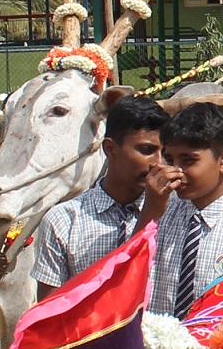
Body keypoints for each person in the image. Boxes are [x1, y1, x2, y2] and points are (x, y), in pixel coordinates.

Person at [30, 95, 173, 302]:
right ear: (110, 149)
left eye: (165, 154)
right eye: (146, 150)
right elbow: (50, 311)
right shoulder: (64, 220)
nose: (158, 164)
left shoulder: (178, 212)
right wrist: (149, 216)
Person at [150, 102, 223, 318]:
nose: (176, 172)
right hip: (156, 346)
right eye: (170, 160)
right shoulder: (159, 216)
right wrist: (149, 213)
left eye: (189, 160)